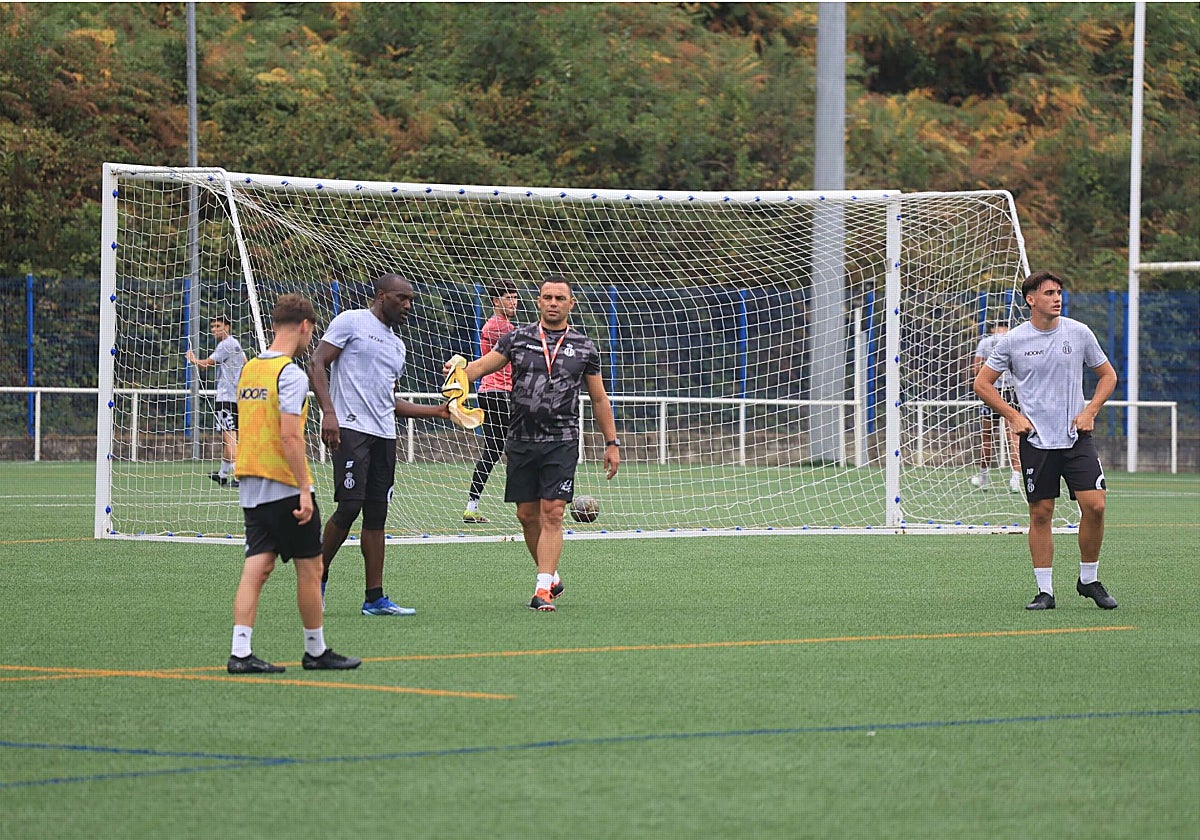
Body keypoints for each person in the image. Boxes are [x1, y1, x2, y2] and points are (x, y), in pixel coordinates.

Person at [449, 277, 620, 612]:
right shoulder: (517, 338)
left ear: (571, 304)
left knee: (552, 512)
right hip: (521, 439)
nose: (553, 302)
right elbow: (480, 368)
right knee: (527, 514)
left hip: (562, 440)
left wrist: (611, 442)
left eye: (560, 297)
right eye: (547, 297)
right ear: (538, 302)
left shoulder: (585, 346)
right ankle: (551, 575)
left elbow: (599, 398)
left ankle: (542, 590)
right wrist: (457, 373)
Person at [227, 293, 360, 673]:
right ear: (305, 327)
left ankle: (240, 651)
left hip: (251, 481)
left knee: (258, 565)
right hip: (284, 484)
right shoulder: (291, 374)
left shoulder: (250, 369)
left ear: (274, 325)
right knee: (310, 567)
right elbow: (290, 436)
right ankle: (315, 650)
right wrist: (304, 488)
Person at [974, 270, 1119, 611]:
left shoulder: (1079, 332)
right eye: (1050, 292)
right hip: (1036, 441)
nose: (1057, 298)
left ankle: (1088, 579)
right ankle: (1045, 591)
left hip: (1076, 437)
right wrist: (1013, 416)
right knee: (1041, 513)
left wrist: (1091, 411)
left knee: (1096, 507)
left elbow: (1107, 375)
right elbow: (982, 384)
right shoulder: (1012, 341)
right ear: (1031, 299)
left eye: (1059, 292)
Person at [309, 273, 451, 616]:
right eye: (402, 298)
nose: (408, 305)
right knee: (349, 507)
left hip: (385, 436)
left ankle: (374, 598)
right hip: (351, 430)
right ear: (381, 295)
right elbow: (316, 363)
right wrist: (329, 412)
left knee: (377, 515)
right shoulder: (350, 321)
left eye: (411, 300)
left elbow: (390, 401)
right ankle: (316, 577)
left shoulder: (397, 346)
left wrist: (439, 411)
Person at [461, 282, 521, 524]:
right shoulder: (501, 326)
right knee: (518, 447)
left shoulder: (495, 324)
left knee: (493, 451)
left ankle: (471, 507)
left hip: (489, 392)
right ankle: (526, 504)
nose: (513, 302)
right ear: (495, 302)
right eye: (508, 298)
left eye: (515, 298)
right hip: (501, 393)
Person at [186, 316, 247, 487]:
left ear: (227, 326)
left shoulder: (225, 345)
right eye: (212, 326)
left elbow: (206, 364)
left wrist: (193, 359)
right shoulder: (236, 344)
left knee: (229, 438)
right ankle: (222, 474)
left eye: (217, 326)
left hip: (226, 397)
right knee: (229, 436)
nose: (213, 329)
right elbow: (245, 362)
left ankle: (238, 476)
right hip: (236, 397)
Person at [970, 321, 1023, 493]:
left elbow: (976, 368)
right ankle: (1015, 479)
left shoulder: (986, 342)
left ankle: (983, 477)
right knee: (1014, 438)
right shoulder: (1016, 339)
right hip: (1012, 393)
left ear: (992, 328)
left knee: (987, 437)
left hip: (991, 392)